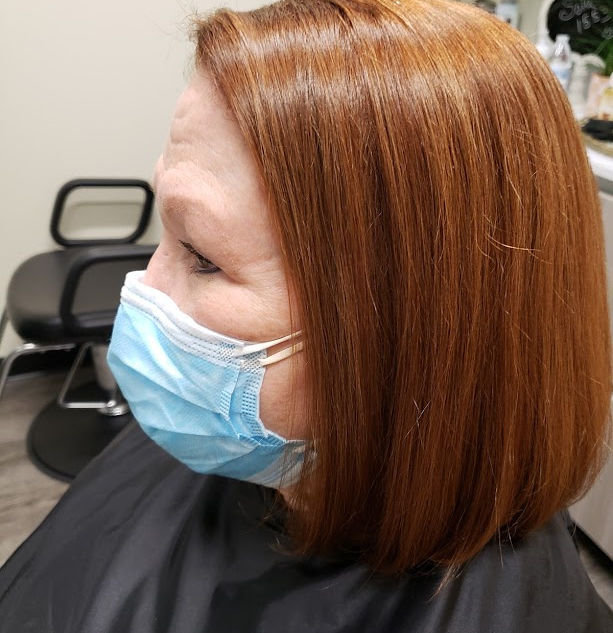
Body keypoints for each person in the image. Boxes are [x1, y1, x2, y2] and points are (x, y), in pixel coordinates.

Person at [1, 0, 612, 630]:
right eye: (167, 236)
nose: (141, 291)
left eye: (203, 257)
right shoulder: (222, 460)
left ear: (411, 327)